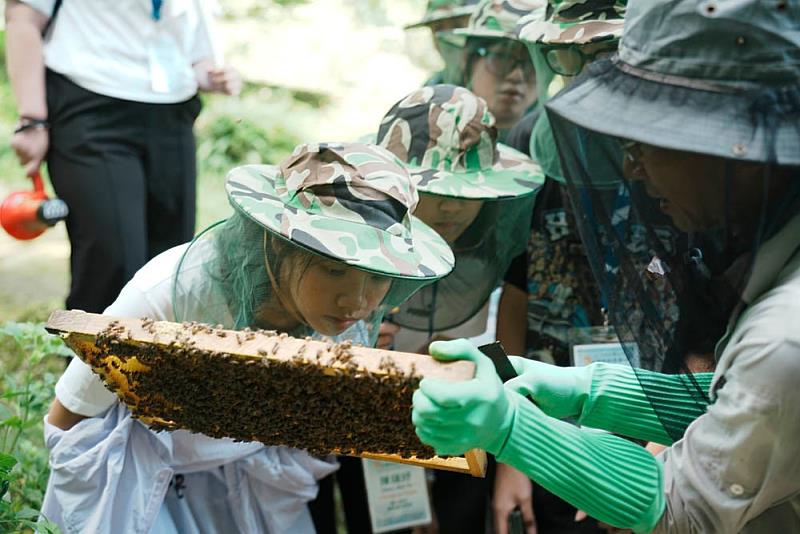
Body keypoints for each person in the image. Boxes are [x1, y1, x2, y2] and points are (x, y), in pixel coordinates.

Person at [412, 0, 800, 532]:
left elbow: (683, 508)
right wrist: (582, 389)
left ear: (733, 148)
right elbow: (731, 402)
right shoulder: (776, 263)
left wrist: (509, 429)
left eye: (647, 141)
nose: (630, 166)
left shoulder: (784, 337)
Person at [42, 142, 455, 533]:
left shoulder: (356, 316)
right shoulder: (167, 292)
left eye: (377, 277)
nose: (358, 300)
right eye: (334, 270)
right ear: (279, 248)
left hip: (255, 467)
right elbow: (71, 414)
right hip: (145, 467)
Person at [5, 0, 241, 315]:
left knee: (168, 266)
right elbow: (22, 17)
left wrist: (211, 75)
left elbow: (190, 44)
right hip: (90, 105)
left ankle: (154, 364)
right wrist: (32, 118)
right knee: (112, 262)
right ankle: (86, 363)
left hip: (173, 115)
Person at [494, 3, 626, 533]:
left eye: (606, 52)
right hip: (546, 419)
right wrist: (512, 448)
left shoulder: (686, 147)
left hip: (658, 416)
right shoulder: (531, 141)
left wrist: (670, 445)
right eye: (574, 55)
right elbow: (514, 297)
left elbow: (706, 315)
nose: (591, 70)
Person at [437, 0, 545, 136]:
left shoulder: (551, 142)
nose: (517, 75)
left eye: (532, 63)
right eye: (502, 58)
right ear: (469, 60)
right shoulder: (438, 128)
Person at [405, 0, 480, 86]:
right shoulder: (433, 87)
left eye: (457, 26)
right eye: (438, 29)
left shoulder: (493, 80)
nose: (447, 38)